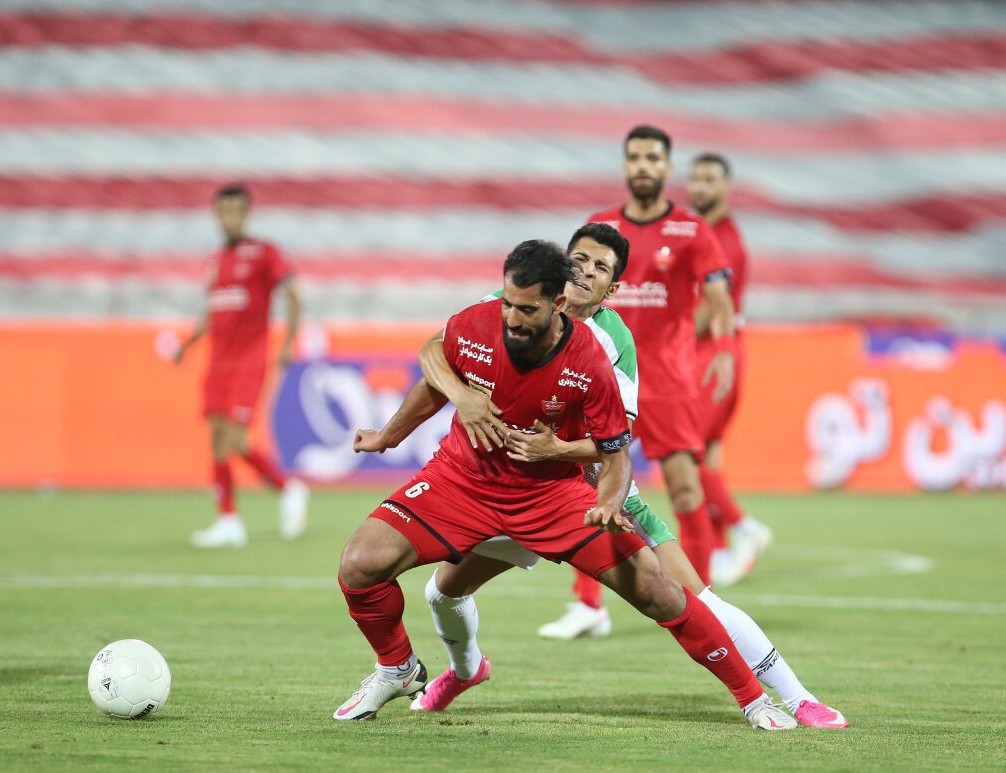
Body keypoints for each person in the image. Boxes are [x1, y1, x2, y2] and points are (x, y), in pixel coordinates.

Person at [335, 238, 794, 730]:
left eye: (525, 310)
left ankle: (754, 700)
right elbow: (434, 360)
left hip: (551, 495)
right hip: (462, 481)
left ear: (557, 303)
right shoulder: (480, 319)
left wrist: (608, 502)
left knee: (657, 589)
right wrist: (407, 426)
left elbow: (615, 451)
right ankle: (398, 667)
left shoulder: (591, 359)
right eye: (508, 304)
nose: (511, 319)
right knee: (361, 564)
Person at [537, 124, 739, 640]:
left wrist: (723, 349)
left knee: (686, 490)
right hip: (599, 376)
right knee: (588, 485)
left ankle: (701, 600)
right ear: (625, 164)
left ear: (667, 167)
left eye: (652, 158)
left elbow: (719, 300)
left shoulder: (692, 230)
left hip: (668, 382)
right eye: (635, 157)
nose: (643, 166)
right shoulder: (600, 230)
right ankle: (588, 605)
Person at [174, 184, 308, 548]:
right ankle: (228, 520)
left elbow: (294, 298)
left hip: (249, 359)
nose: (229, 218)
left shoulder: (264, 253)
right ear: (216, 215)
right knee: (217, 438)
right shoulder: (214, 261)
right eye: (223, 211)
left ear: (246, 213)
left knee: (235, 439)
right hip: (218, 361)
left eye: (236, 210)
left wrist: (288, 343)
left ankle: (287, 488)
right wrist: (187, 344)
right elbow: (211, 312)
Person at [687, 153, 772, 587]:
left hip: (713, 354)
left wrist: (672, 341)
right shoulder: (706, 233)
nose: (699, 187)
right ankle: (718, 547)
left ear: (726, 187)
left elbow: (709, 304)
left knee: (685, 452)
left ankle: (743, 526)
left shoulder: (723, 241)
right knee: (705, 452)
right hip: (715, 352)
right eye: (694, 179)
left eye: (709, 179)